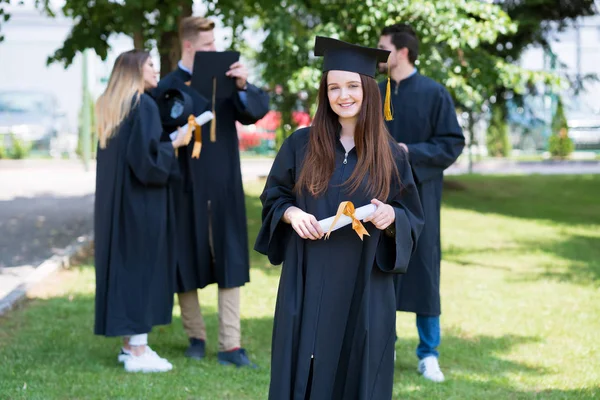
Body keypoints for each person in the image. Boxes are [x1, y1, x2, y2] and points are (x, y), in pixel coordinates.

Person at [255, 36, 425, 400]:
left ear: (368, 89)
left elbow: (412, 214)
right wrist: (290, 213)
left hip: (365, 279)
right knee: (304, 362)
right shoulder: (300, 145)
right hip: (308, 272)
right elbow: (274, 196)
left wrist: (390, 215)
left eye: (351, 86)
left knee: (358, 364)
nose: (342, 95)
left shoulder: (392, 154)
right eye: (333, 87)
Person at [154, 15, 270, 367]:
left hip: (223, 184)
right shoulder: (167, 86)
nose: (214, 50)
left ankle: (230, 344)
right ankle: (196, 336)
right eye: (207, 46)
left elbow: (255, 112)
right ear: (189, 46)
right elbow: (157, 136)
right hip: (184, 185)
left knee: (230, 256)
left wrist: (243, 85)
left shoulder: (227, 79)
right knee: (184, 257)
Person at [377, 23, 466, 382]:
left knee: (425, 272)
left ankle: (428, 354)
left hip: (422, 195)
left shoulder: (434, 93)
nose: (377, 53)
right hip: (378, 196)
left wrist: (408, 152)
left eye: (383, 47)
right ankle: (383, 345)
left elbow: (451, 143)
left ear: (401, 52)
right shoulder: (372, 91)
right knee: (380, 269)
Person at [94, 50, 191, 373]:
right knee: (142, 270)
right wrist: (176, 143)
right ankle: (138, 350)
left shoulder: (112, 106)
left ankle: (127, 345)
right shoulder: (144, 105)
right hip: (142, 206)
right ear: (135, 70)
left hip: (117, 206)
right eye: (150, 65)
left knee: (126, 269)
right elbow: (147, 163)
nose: (156, 70)